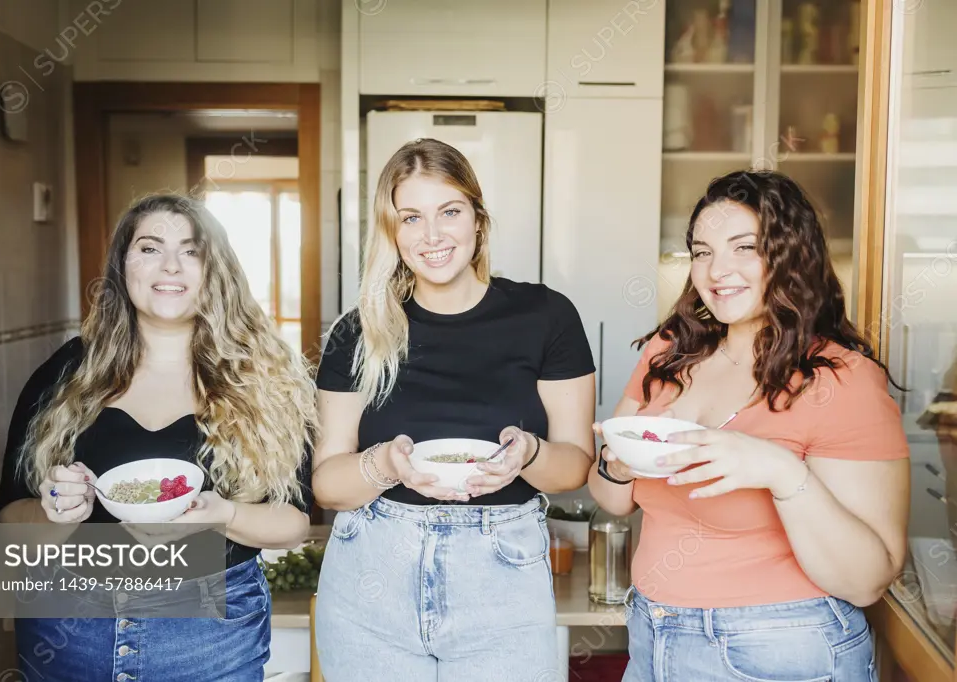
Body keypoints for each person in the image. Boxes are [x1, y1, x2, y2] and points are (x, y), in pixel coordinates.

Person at [589, 170, 910, 681]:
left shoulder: (842, 381)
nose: (719, 270)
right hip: (652, 632)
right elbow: (612, 499)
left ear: (791, 257)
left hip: (778, 645)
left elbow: (869, 579)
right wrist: (616, 464)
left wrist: (779, 471)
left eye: (745, 248)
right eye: (702, 251)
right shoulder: (669, 351)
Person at [0, 194, 319, 682]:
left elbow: (293, 523)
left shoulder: (266, 380)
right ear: (123, 265)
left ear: (216, 270)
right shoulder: (65, 373)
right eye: (149, 248)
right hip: (68, 627)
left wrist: (224, 514)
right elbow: (7, 523)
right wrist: (53, 513)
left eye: (191, 251)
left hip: (212, 635)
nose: (170, 265)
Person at [312, 138, 596, 681]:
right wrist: (385, 466)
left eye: (450, 211)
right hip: (373, 575)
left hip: (503, 580)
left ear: (478, 219)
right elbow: (327, 483)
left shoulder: (546, 316)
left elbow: (576, 465)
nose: (432, 235)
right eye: (411, 217)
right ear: (391, 231)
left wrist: (529, 454)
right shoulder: (359, 332)